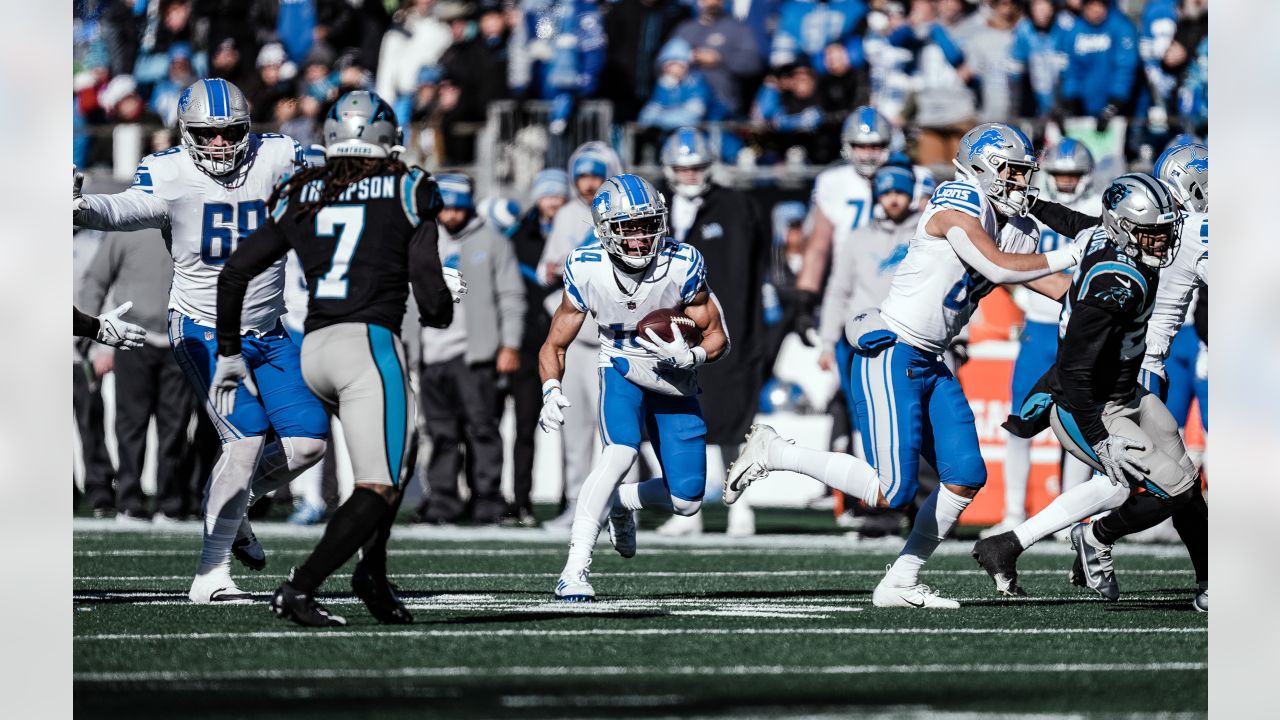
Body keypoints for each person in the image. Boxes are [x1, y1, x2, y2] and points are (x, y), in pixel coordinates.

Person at [725, 123, 1081, 608]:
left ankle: (901, 579)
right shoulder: (957, 198)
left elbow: (1053, 286)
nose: (1021, 182)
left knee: (965, 475)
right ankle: (776, 452)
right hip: (893, 349)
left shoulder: (1014, 225)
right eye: (1012, 172)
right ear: (981, 167)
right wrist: (1078, 247)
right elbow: (997, 267)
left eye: (1024, 173)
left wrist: (1111, 282)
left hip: (931, 357)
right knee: (891, 488)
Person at [73, 78, 329, 604]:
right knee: (246, 438)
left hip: (268, 327)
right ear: (186, 132)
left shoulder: (277, 155)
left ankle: (235, 509)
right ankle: (210, 575)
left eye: (230, 132)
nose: (219, 144)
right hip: (202, 328)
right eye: (207, 134)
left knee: (308, 444)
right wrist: (78, 208)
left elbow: (344, 183)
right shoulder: (168, 172)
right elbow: (123, 209)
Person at [213, 90, 463, 627]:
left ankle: (372, 574)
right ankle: (300, 588)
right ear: (385, 137)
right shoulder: (409, 186)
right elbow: (432, 299)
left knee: (402, 453)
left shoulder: (299, 189)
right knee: (380, 483)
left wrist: (229, 352)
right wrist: (440, 304)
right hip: (368, 346)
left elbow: (234, 272)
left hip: (316, 347)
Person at [973, 173, 1200, 606]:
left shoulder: (1105, 234)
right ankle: (1094, 537)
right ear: (1125, 229)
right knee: (1168, 489)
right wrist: (1102, 438)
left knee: (1159, 481)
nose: (1161, 243)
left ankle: (1007, 546)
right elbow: (1076, 371)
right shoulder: (1115, 284)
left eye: (1163, 232)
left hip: (1121, 391)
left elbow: (1076, 220)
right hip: (1085, 402)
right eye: (1151, 233)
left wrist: (1035, 205)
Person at [539, 173, 729, 601]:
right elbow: (555, 344)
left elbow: (718, 336)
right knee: (619, 453)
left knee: (687, 501)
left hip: (674, 374)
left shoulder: (682, 263)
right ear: (606, 229)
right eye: (628, 227)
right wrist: (551, 388)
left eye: (647, 224)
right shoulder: (586, 268)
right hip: (620, 365)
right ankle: (574, 569)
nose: (641, 237)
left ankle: (621, 502)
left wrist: (693, 356)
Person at [654, 127, 769, 537]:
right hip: (673, 332)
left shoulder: (737, 207)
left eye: (697, 167)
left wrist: (752, 327)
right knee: (683, 423)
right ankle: (689, 511)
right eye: (683, 169)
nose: (690, 175)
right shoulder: (657, 209)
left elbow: (757, 273)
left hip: (724, 328)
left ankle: (742, 506)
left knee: (732, 425)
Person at [981, 138, 1098, 540]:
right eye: (1059, 175)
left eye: (1072, 175)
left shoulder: (1100, 207)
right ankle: (1014, 509)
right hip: (1041, 324)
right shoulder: (1023, 209)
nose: (1065, 182)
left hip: (1082, 328)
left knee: (1080, 424)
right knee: (1020, 418)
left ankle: (1071, 517)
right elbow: (1003, 261)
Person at [814, 163, 919, 534]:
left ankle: (917, 505)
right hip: (861, 341)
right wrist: (827, 341)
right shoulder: (858, 238)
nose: (894, 199)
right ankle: (872, 502)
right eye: (887, 192)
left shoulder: (928, 233)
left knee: (913, 422)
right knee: (866, 424)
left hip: (911, 338)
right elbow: (838, 290)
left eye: (901, 192)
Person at [417, 173, 526, 526]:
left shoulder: (492, 240)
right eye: (444, 208)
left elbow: (511, 296)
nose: (450, 215)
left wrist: (509, 343)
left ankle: (487, 502)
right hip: (431, 352)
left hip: (474, 354)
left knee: (482, 430)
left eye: (456, 208)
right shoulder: (422, 238)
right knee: (441, 434)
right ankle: (443, 503)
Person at [80, 227, 199, 522]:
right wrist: (89, 336)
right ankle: (129, 501)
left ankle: (169, 503)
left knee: (175, 426)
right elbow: (96, 279)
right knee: (131, 425)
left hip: (180, 339)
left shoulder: (189, 221)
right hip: (132, 338)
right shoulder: (126, 228)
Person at [536, 142, 624, 529]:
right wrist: (560, 267)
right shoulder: (569, 214)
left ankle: (618, 506)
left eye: (595, 175)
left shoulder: (626, 210)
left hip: (617, 335)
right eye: (582, 176)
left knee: (615, 430)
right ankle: (576, 502)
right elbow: (547, 269)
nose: (588, 184)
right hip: (578, 336)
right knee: (575, 430)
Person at [502, 169, 572, 526]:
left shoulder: (580, 232)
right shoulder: (520, 237)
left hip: (569, 342)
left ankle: (572, 500)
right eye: (548, 195)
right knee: (526, 426)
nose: (554, 202)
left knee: (574, 430)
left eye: (559, 195)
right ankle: (521, 501)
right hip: (531, 345)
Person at [671, 0, 762, 115]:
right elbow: (662, 62)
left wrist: (720, 59)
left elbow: (754, 63)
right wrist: (677, 64)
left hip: (724, 107)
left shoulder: (738, 29)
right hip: (684, 107)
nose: (710, 2)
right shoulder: (685, 29)